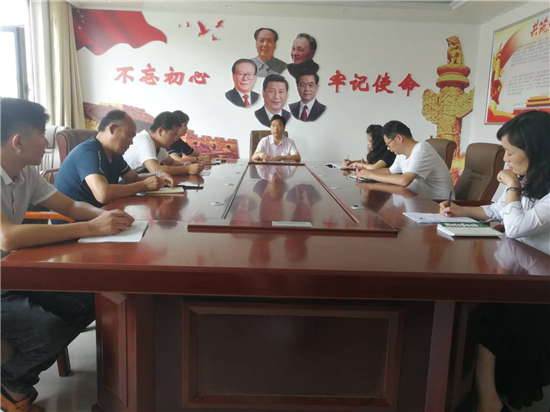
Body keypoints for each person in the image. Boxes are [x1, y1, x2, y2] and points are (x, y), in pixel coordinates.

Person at [1, 98, 134, 412]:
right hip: (7, 271)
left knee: (90, 298)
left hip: (11, 271)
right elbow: (7, 237)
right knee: (47, 331)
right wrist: (90, 228)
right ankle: (11, 382)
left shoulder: (26, 173)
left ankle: (12, 381)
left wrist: (105, 218)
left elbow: (70, 206)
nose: (47, 142)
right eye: (42, 134)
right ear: (18, 141)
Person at [440, 111, 550, 412]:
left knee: (490, 315)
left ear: (536, 150)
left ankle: (487, 398)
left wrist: (513, 185)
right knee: (481, 309)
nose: (506, 160)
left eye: (511, 153)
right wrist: (460, 210)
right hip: (523, 271)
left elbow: (515, 226)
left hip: (542, 285)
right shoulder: (530, 178)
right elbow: (498, 211)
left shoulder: (524, 182)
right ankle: (483, 395)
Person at [54, 110, 174, 209]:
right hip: (73, 222)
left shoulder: (114, 154)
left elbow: (134, 178)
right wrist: (144, 185)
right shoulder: (88, 152)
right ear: (112, 129)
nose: (131, 142)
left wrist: (158, 176)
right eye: (129, 135)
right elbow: (103, 194)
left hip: (98, 214)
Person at [356, 120, 453, 200]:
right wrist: (366, 172)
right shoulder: (401, 154)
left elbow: (404, 180)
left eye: (388, 144)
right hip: (418, 201)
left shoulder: (422, 150)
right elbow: (389, 171)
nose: (388, 148)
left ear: (399, 138)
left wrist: (371, 175)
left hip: (438, 206)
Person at [123, 111, 203, 176]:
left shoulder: (158, 145)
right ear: (160, 131)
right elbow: (156, 170)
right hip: (125, 185)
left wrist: (187, 165)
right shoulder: (144, 140)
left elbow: (171, 162)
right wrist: (187, 169)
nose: (175, 139)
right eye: (173, 135)